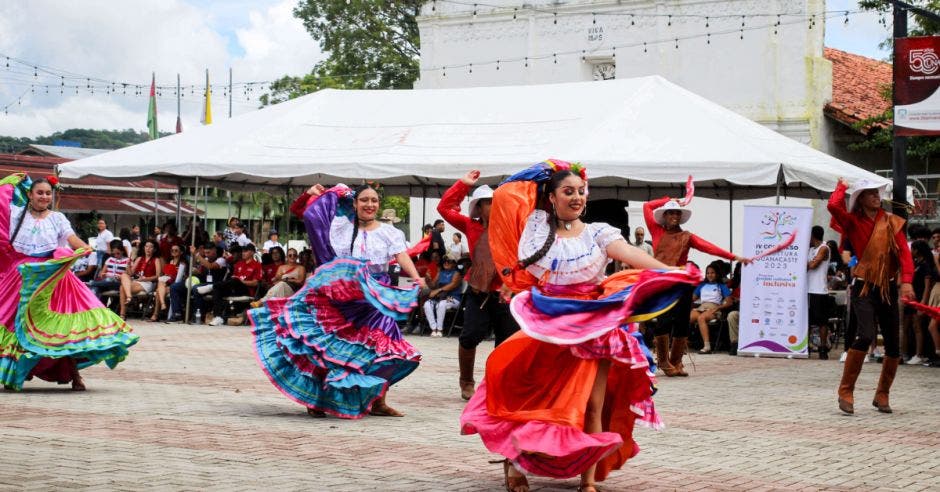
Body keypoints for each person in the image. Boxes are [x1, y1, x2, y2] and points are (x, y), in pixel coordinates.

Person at [460, 160, 699, 492]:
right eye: (567, 191)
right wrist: (543, 167)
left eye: (581, 192)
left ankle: (587, 479)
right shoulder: (535, 228)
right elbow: (505, 196)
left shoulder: (598, 233)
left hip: (592, 326)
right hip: (546, 321)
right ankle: (514, 462)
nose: (576, 198)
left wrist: (667, 272)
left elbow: (628, 252)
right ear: (552, 197)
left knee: (592, 402)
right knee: (530, 397)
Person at [249, 182, 424, 419]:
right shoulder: (340, 227)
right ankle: (317, 399)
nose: (369, 205)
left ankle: (378, 400)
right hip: (343, 297)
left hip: (376, 298)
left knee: (383, 349)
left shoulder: (390, 232)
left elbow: (401, 256)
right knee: (327, 347)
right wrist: (327, 193)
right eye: (364, 200)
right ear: (354, 203)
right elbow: (309, 215)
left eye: (374, 200)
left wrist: (415, 278)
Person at [0, 175, 138, 391]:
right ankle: (17, 370)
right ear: (30, 194)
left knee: (63, 324)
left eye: (47, 193)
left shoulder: (57, 218)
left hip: (52, 275)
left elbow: (71, 238)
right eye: (39, 192)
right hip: (21, 275)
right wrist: (10, 181)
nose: (44, 197)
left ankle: (75, 375)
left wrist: (84, 247)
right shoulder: (17, 214)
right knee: (16, 322)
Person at [829, 178, 914, 414]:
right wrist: (841, 187)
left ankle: (882, 394)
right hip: (863, 287)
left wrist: (906, 280)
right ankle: (845, 390)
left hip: (886, 288)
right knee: (865, 335)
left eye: (877, 194)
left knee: (894, 345)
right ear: (861, 200)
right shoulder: (852, 222)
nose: (877, 197)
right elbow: (834, 207)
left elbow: (905, 254)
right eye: (870, 194)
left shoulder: (890, 222)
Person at [643, 192, 749, 377]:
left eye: (677, 213)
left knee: (682, 322)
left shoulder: (687, 236)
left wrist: (734, 257)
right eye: (671, 213)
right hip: (662, 282)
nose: (675, 216)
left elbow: (709, 247)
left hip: (682, 283)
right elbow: (647, 207)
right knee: (664, 321)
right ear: (665, 216)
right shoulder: (656, 230)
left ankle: (676, 362)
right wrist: (669, 200)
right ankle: (663, 361)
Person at [437, 170, 520, 401]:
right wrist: (462, 185)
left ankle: (497, 385)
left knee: (506, 343)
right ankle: (466, 383)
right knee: (470, 336)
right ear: (480, 207)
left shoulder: (513, 227)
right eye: (490, 203)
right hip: (477, 292)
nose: (496, 206)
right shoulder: (471, 226)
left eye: (498, 202)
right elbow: (444, 209)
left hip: (506, 293)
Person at [208, 243, 262, 326]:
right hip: (234, 287)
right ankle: (218, 317)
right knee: (217, 287)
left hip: (246, 289)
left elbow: (255, 283)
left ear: (252, 252)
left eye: (246, 251)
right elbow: (234, 277)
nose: (243, 253)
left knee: (234, 281)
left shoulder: (257, 265)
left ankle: (209, 287)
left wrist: (242, 281)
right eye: (242, 251)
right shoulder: (239, 264)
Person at [902, 240, 935, 365]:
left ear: (917, 250)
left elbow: (927, 286)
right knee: (906, 326)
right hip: (911, 298)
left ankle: (919, 354)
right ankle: (905, 353)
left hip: (920, 297)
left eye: (913, 249)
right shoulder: (914, 263)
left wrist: (923, 302)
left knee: (917, 326)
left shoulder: (925, 265)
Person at [690, 264, 733, 354]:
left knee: (701, 318)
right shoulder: (702, 285)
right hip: (701, 307)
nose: (710, 275)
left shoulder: (721, 286)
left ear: (717, 274)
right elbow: (692, 298)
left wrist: (718, 308)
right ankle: (682, 343)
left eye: (712, 273)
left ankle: (707, 346)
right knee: (687, 317)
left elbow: (729, 302)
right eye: (708, 273)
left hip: (714, 308)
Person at [119, 239, 163, 319]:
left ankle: (122, 314)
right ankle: (129, 296)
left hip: (148, 282)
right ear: (143, 248)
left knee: (122, 288)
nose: (148, 249)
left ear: (154, 249)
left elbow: (158, 276)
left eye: (151, 247)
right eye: (146, 246)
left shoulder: (156, 260)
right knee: (124, 275)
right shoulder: (139, 258)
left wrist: (144, 279)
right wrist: (128, 265)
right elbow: (131, 273)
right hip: (137, 281)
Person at [807, 225, 833, 359]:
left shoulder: (824, 248)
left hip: (820, 291)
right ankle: (807, 346)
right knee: (808, 321)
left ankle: (823, 347)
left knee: (822, 321)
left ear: (813, 236)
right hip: (808, 290)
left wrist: (801, 264)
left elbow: (813, 265)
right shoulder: (810, 249)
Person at [423, 257, 463, 337]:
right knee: (427, 304)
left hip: (453, 298)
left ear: (454, 263)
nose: (446, 263)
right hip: (440, 297)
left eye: (449, 261)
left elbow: (452, 285)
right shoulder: (440, 273)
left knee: (442, 304)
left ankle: (440, 329)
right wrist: (428, 280)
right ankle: (433, 329)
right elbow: (433, 286)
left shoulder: (456, 273)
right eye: (444, 261)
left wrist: (438, 290)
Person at [151, 244, 186, 321]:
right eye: (172, 250)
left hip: (176, 284)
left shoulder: (183, 263)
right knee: (160, 284)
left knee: (158, 291)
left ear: (181, 252)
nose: (174, 252)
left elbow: (182, 277)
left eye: (176, 250)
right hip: (168, 283)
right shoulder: (170, 261)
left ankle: (156, 314)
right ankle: (162, 305)